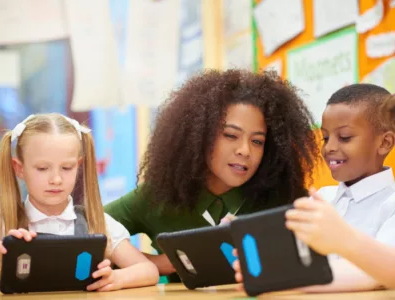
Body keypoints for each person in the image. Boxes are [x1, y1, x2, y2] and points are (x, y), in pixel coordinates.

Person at [104, 69, 320, 282]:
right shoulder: (158, 196)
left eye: (257, 141)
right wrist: (159, 263)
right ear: (198, 136)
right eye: (230, 135)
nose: (245, 150)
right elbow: (88, 228)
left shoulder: (284, 199)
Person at [234, 84, 395, 292]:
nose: (329, 148)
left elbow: (377, 272)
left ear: (385, 143)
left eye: (345, 137)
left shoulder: (391, 204)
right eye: (325, 138)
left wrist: (286, 278)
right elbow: (291, 256)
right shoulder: (321, 198)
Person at [0, 113, 159, 292]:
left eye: (67, 168)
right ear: (19, 168)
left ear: (78, 165)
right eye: (42, 168)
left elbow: (149, 270)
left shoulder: (97, 223)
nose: (56, 179)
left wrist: (116, 278)